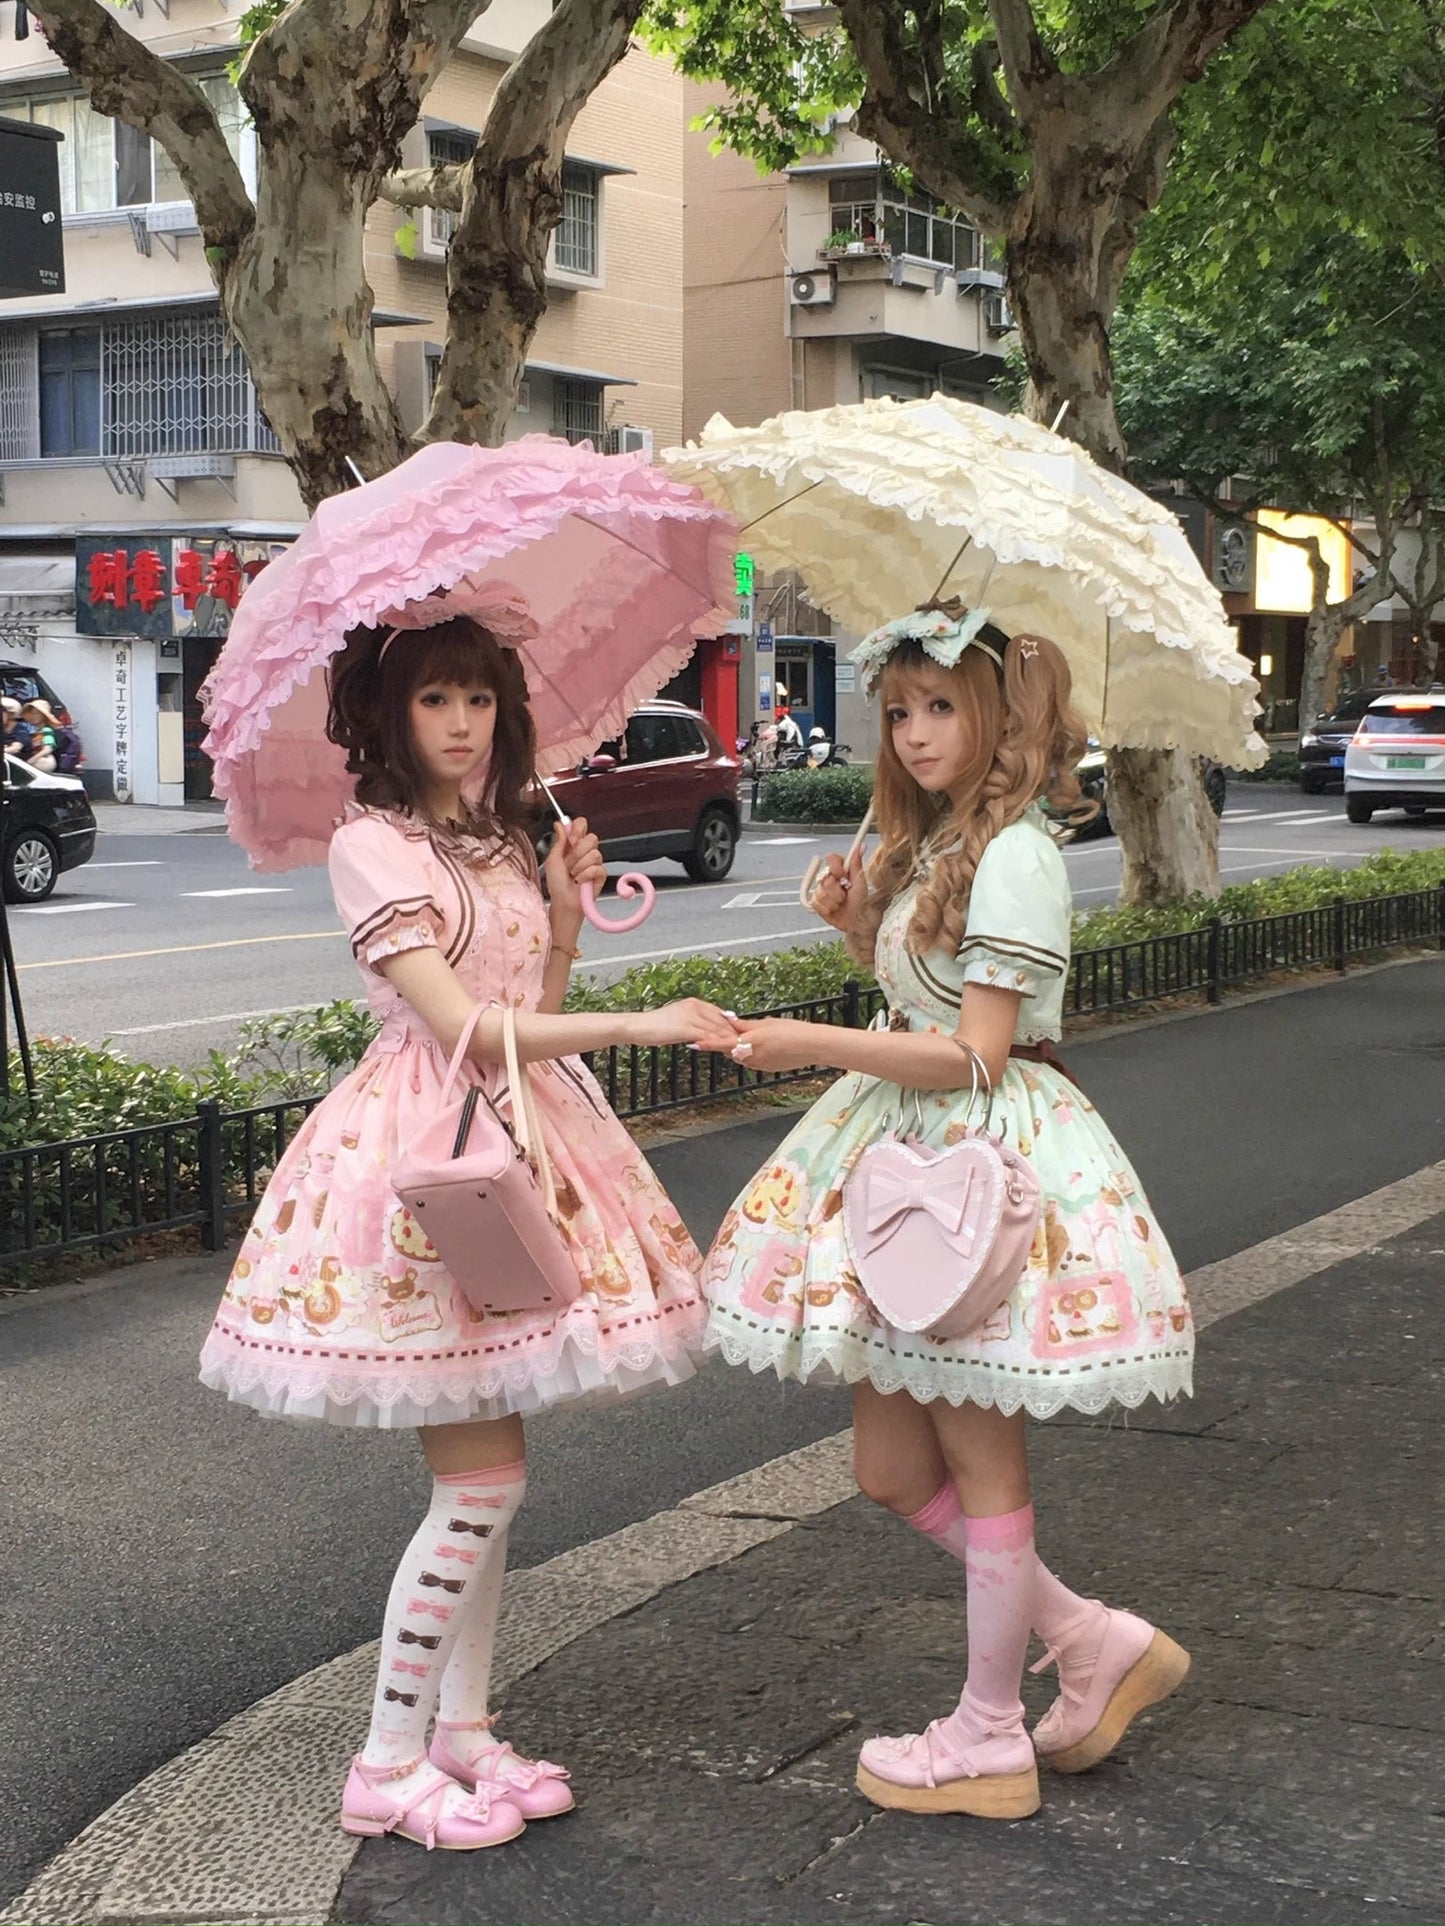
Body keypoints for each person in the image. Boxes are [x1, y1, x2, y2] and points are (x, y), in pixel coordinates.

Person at [199, 615, 738, 1854]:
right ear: (390, 715)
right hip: (428, 1172)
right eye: (434, 699)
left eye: (478, 700)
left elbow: (526, 1009)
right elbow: (459, 1028)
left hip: (518, 1149)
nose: (460, 723)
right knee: (483, 1480)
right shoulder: (371, 843)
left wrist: (559, 911)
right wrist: (643, 1024)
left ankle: (462, 1733)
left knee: (486, 1484)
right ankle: (386, 1763)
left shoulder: (498, 838)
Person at [701, 604, 1194, 1821]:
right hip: (906, 1162)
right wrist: (857, 927)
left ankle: (987, 1735)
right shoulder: (935, 846)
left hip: (974, 1166)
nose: (915, 732)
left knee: (979, 1458)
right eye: (898, 711)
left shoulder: (1016, 852)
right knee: (886, 1467)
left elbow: (975, 1052)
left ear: (999, 715)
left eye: (939, 707)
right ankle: (1085, 1639)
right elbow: (929, 1003)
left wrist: (811, 1043)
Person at [20, 700, 57, 772]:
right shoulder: (33, 730)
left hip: (44, 761)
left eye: (37, 714)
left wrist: (30, 761)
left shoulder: (47, 731)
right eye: (32, 713)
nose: (33, 716)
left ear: (43, 716)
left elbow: (47, 749)